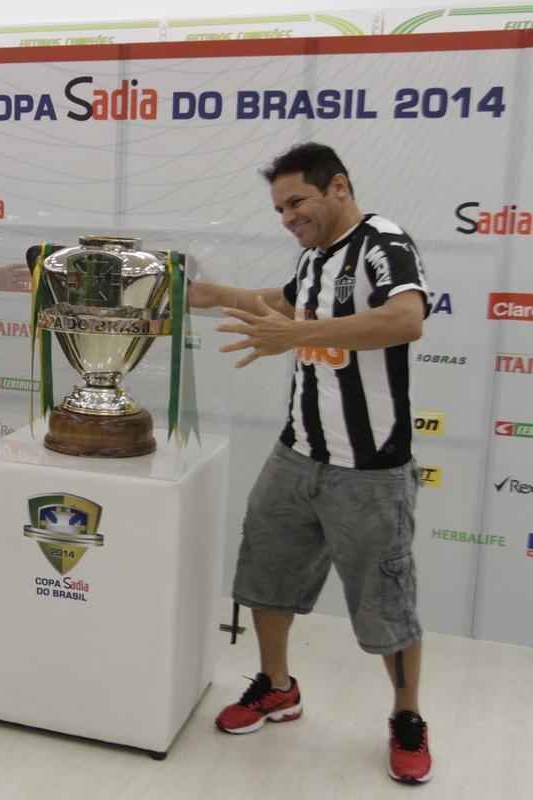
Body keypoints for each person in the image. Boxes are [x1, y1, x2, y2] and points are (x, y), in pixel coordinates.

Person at [189, 142, 433, 785]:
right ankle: (277, 687)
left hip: (371, 470)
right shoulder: (316, 256)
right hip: (296, 453)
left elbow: (407, 318)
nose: (288, 217)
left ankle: (407, 716)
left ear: (339, 188)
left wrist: (295, 336)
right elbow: (291, 304)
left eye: (297, 202)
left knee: (386, 602)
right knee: (265, 576)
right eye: (279, 209)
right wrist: (212, 295)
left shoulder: (383, 242)